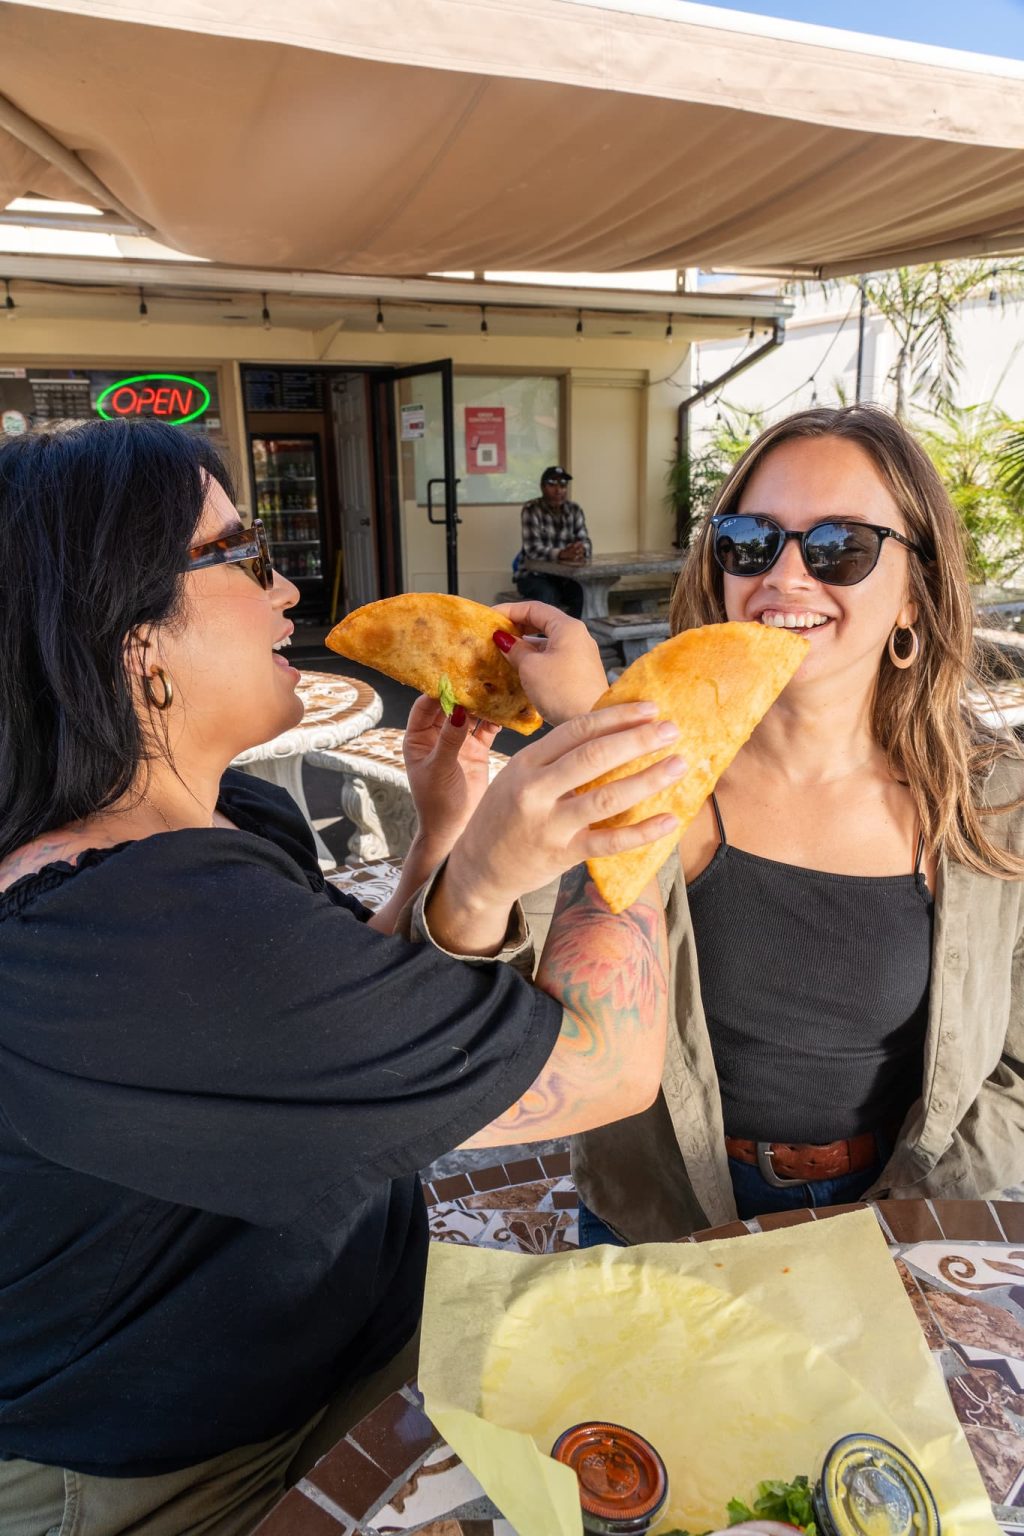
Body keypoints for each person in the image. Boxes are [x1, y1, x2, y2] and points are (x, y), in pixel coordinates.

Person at [0, 419, 685, 1536]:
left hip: (333, 1356)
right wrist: (605, 749)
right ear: (132, 639)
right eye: (241, 556)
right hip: (178, 1473)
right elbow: (607, 1064)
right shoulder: (134, 929)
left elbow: (333, 1018)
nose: (286, 591)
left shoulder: (216, 824)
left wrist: (446, 844)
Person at [567, 404, 1024, 1247]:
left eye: (840, 547)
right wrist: (572, 760)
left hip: (901, 1202)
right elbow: (512, 1005)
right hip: (661, 1212)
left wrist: (910, 1211)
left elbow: (1018, 1065)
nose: (783, 576)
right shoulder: (641, 769)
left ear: (915, 593)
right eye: (750, 540)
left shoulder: (994, 800)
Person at [514, 465, 592, 619]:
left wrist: (580, 550)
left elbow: (586, 543)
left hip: (563, 576)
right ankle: (547, 635)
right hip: (533, 575)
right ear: (542, 487)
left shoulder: (574, 510)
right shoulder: (531, 509)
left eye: (563, 485)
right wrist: (561, 554)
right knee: (548, 594)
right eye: (552, 484)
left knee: (580, 592)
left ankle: (571, 632)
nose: (558, 490)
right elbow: (532, 550)